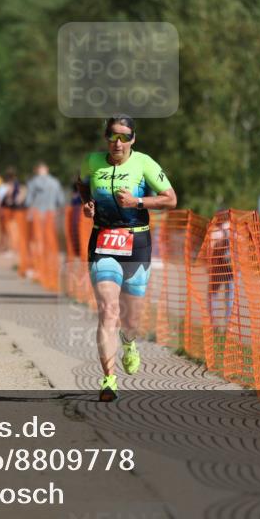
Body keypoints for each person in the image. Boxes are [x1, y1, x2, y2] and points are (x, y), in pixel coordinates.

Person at [78, 116, 177, 401]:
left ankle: (129, 342)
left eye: (124, 137)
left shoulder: (145, 163)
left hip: (136, 241)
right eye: (113, 136)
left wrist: (138, 202)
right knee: (108, 310)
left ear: (133, 139)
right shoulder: (92, 162)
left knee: (131, 317)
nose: (117, 143)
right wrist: (87, 204)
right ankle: (109, 379)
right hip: (103, 240)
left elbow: (170, 199)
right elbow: (81, 184)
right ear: (106, 137)